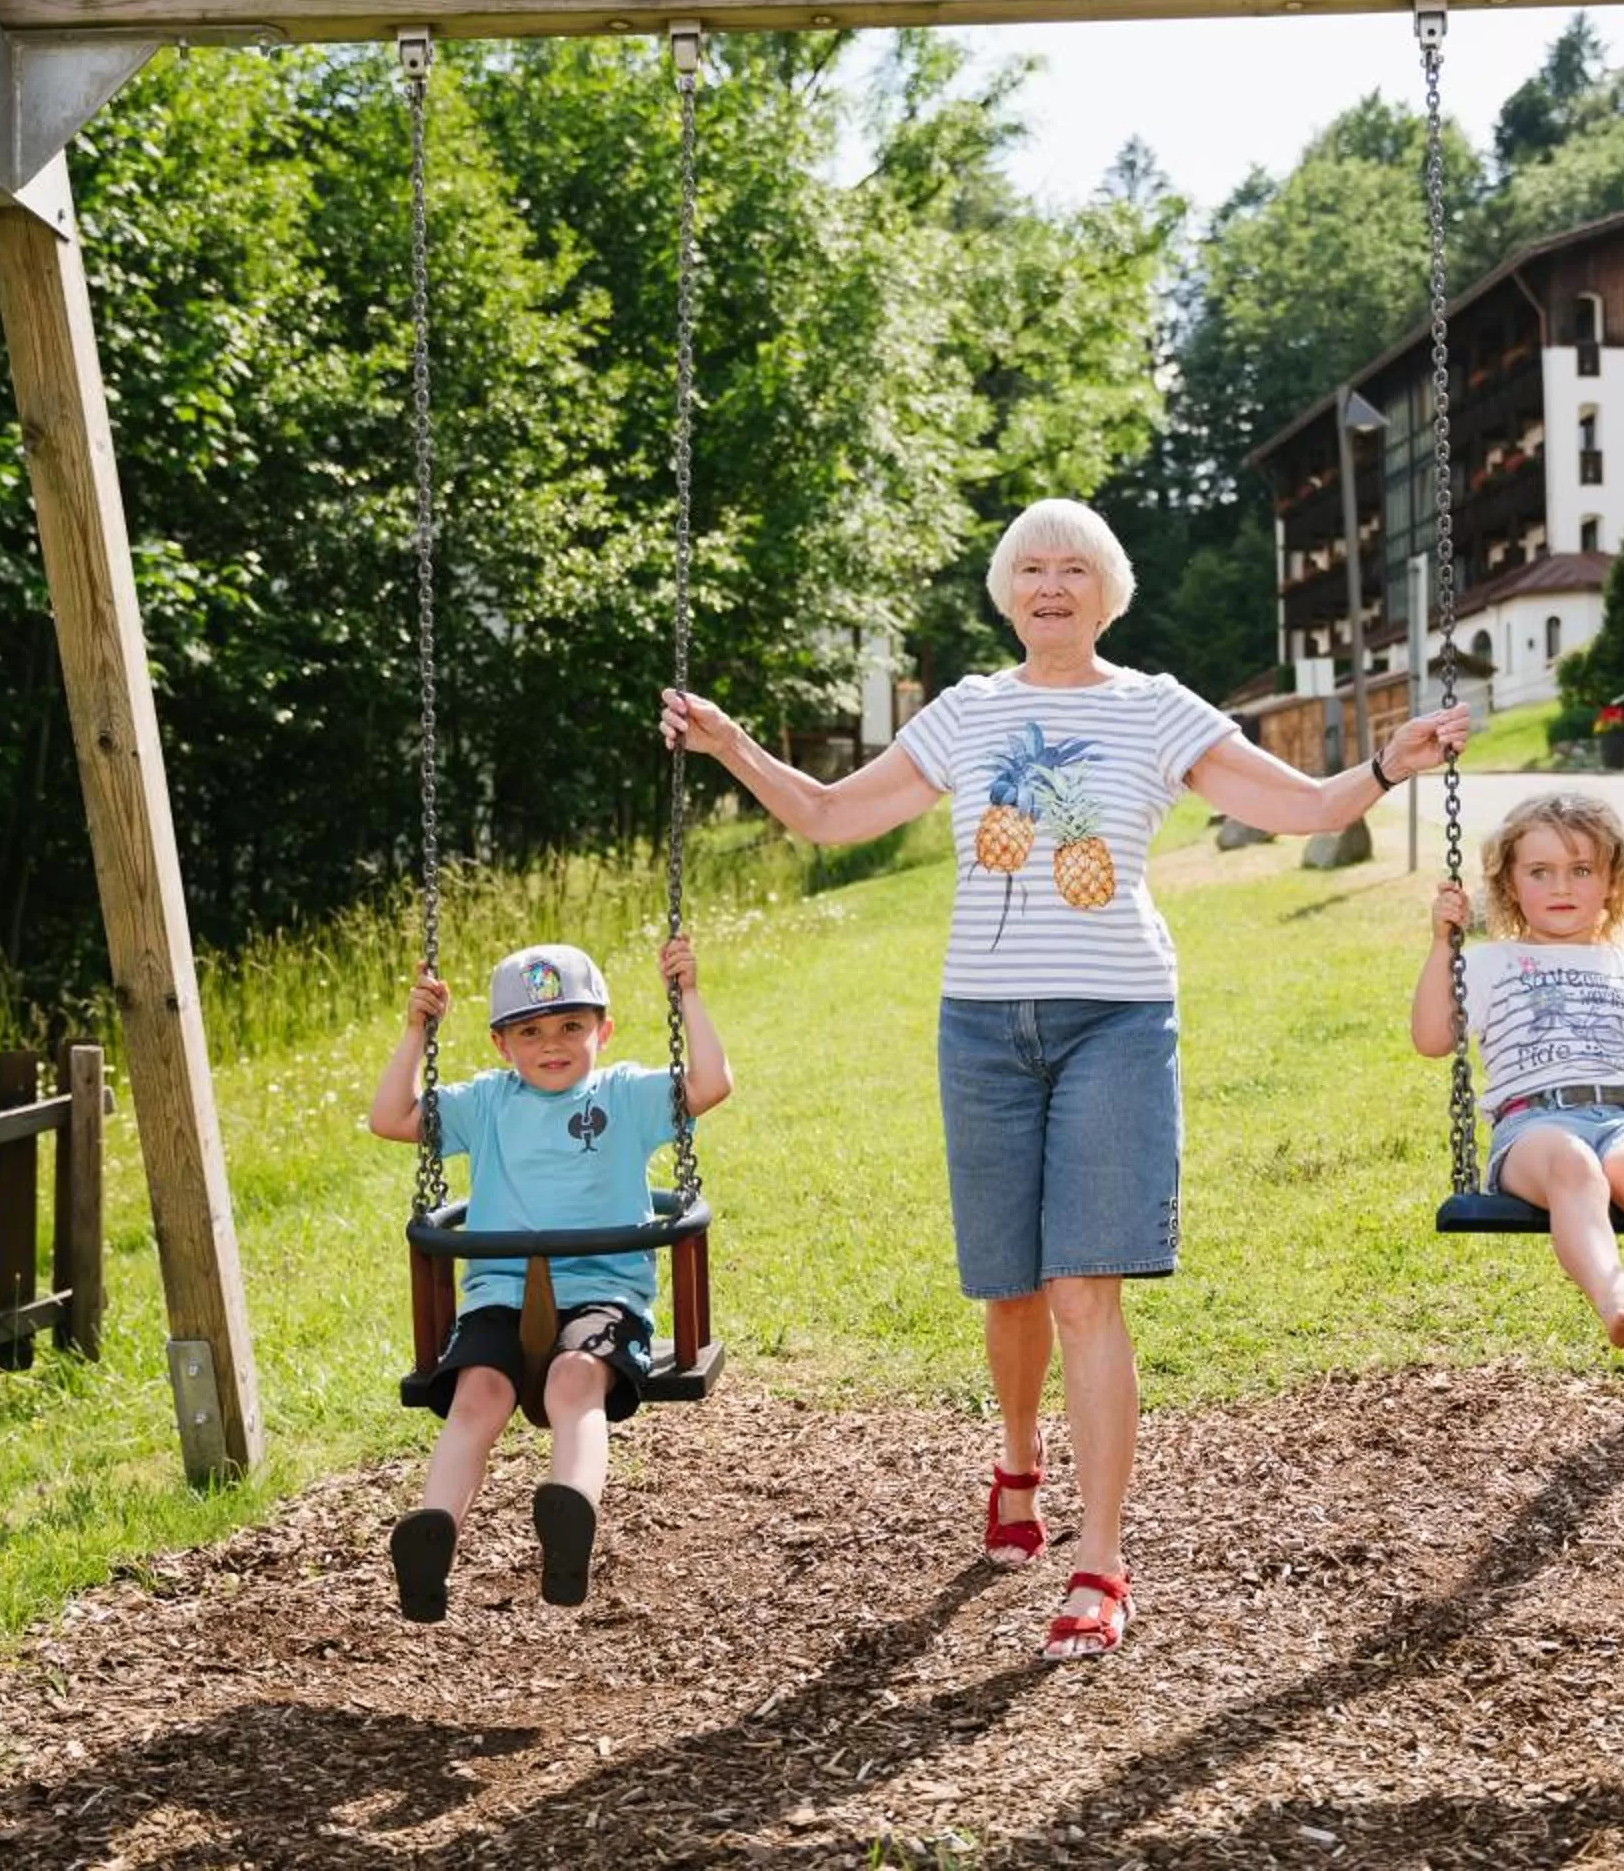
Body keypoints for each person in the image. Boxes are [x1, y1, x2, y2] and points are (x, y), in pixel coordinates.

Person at [662, 497, 1465, 1659]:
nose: (1051, 585)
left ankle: (1100, 1560)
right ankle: (1017, 1461)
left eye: (1074, 568)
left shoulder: (1154, 708)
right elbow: (832, 816)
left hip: (1117, 1023)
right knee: (1012, 1292)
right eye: (1032, 568)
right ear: (1007, 594)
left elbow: (1300, 806)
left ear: (1108, 592)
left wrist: (1389, 762)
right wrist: (733, 745)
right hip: (983, 1033)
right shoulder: (968, 711)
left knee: (1085, 1288)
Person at [365, 937, 730, 1622]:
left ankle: (570, 1522)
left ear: (603, 1031)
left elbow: (710, 1085)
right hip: (499, 1294)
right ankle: (433, 1537)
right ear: (501, 1043)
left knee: (574, 1379)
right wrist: (416, 1031)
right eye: (529, 1031)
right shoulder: (486, 1103)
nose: (552, 1044)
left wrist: (687, 994)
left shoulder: (624, 1095)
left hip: (604, 1293)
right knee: (477, 1394)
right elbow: (390, 1118)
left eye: (570, 1025)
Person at [1413, 790, 1624, 1369]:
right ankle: (1613, 1291)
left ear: (1611, 884)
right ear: (1509, 886)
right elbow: (1431, 1038)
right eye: (1539, 872)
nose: (1561, 887)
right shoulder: (1489, 963)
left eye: (1581, 870)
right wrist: (1440, 946)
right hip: (1533, 1126)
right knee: (1572, 1165)